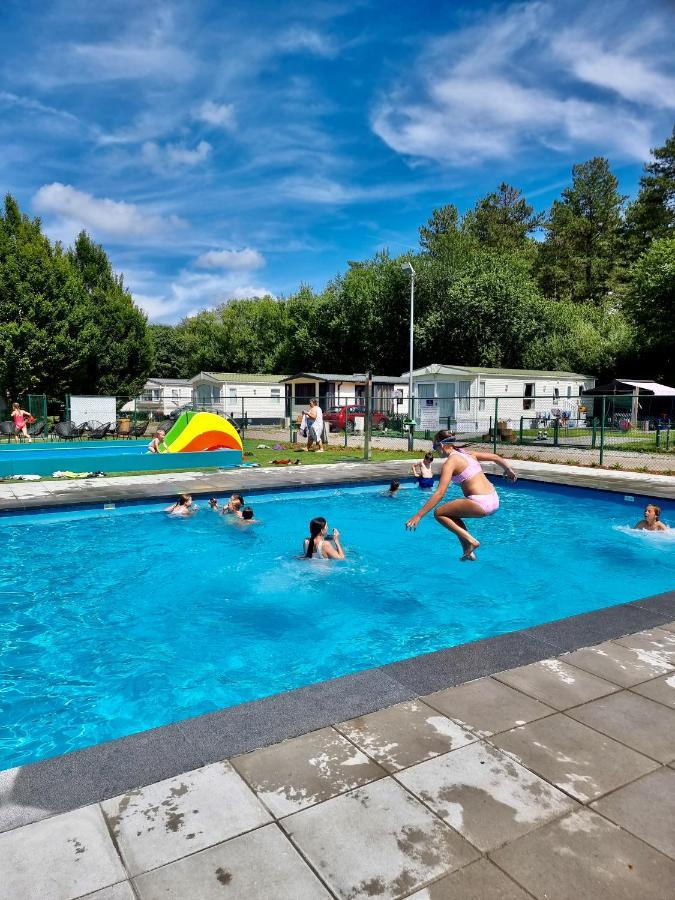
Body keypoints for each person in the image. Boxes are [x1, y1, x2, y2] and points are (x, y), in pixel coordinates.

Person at [405, 429, 517, 561]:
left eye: (435, 447)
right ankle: (467, 550)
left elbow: (440, 493)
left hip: (481, 503)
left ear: (441, 445)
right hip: (494, 499)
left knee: (439, 513)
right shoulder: (467, 454)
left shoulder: (451, 462)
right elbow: (495, 457)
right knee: (451, 514)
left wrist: (418, 515)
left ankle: (471, 541)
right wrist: (508, 470)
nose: (435, 450)